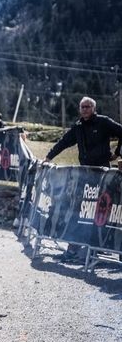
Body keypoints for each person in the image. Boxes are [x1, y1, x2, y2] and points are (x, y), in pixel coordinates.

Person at [44, 96, 122, 261]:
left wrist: (117, 153)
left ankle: (97, 248)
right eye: (82, 107)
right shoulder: (78, 126)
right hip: (84, 175)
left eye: (88, 106)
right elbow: (64, 142)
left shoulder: (103, 122)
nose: (85, 109)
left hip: (103, 176)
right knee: (80, 210)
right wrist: (49, 157)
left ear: (94, 108)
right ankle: (75, 249)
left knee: (101, 212)